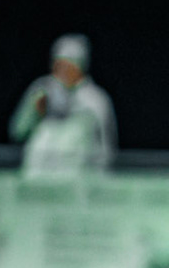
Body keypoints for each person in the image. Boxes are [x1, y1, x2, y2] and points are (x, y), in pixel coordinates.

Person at [9, 34, 117, 176]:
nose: (65, 69)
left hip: (76, 180)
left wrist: (100, 177)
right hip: (38, 177)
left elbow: (107, 149)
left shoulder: (96, 100)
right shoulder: (41, 90)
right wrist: (34, 109)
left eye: (71, 62)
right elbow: (18, 131)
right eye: (60, 62)